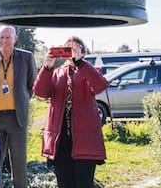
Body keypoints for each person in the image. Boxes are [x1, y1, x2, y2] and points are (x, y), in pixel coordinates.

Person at [33, 36, 109, 188]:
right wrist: (47, 67)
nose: (71, 50)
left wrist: (80, 62)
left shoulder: (90, 70)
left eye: (75, 47)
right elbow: (40, 92)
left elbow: (100, 85)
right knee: (64, 183)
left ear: (83, 51)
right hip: (60, 141)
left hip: (85, 141)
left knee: (84, 183)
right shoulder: (57, 72)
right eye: (68, 47)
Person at [0, 26, 36, 188]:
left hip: (17, 118)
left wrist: (21, 101)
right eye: (1, 37)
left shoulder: (26, 58)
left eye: (8, 38)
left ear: (14, 39)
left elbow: (31, 86)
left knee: (18, 162)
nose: (4, 41)